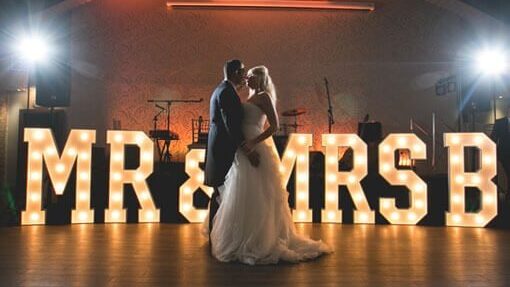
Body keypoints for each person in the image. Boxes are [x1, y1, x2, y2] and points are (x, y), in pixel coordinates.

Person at [206, 65, 333, 265]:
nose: (248, 79)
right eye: (247, 77)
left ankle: (262, 239)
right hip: (243, 148)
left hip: (255, 146)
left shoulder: (264, 97)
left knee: (260, 193)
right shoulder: (248, 97)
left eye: (252, 77)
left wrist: (253, 143)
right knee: (243, 192)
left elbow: (274, 126)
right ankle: (243, 236)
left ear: (261, 80)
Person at [204, 59, 260, 239]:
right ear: (236, 72)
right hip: (223, 151)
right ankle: (217, 236)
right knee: (221, 194)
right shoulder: (227, 93)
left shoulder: (221, 90)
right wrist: (247, 150)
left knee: (219, 194)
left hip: (218, 149)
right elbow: (232, 126)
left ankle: (216, 234)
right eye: (243, 72)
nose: (244, 76)